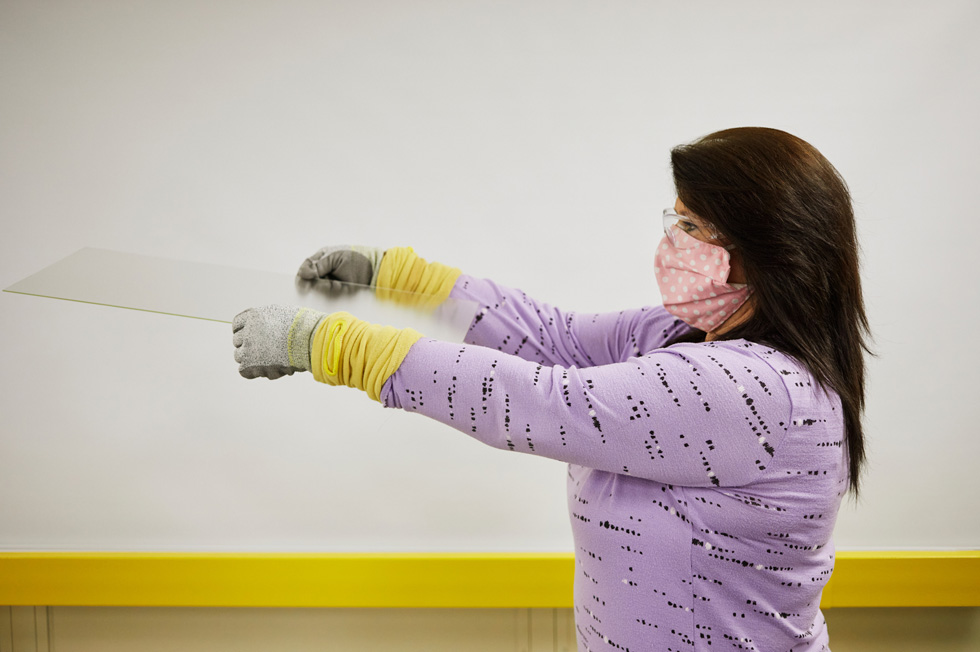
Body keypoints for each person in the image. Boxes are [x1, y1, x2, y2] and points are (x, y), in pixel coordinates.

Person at [232, 127, 870, 651]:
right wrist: (402, 279)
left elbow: (547, 402)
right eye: (674, 218)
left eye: (694, 226)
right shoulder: (680, 336)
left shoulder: (758, 389)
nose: (672, 239)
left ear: (764, 252)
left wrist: (337, 347)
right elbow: (553, 338)